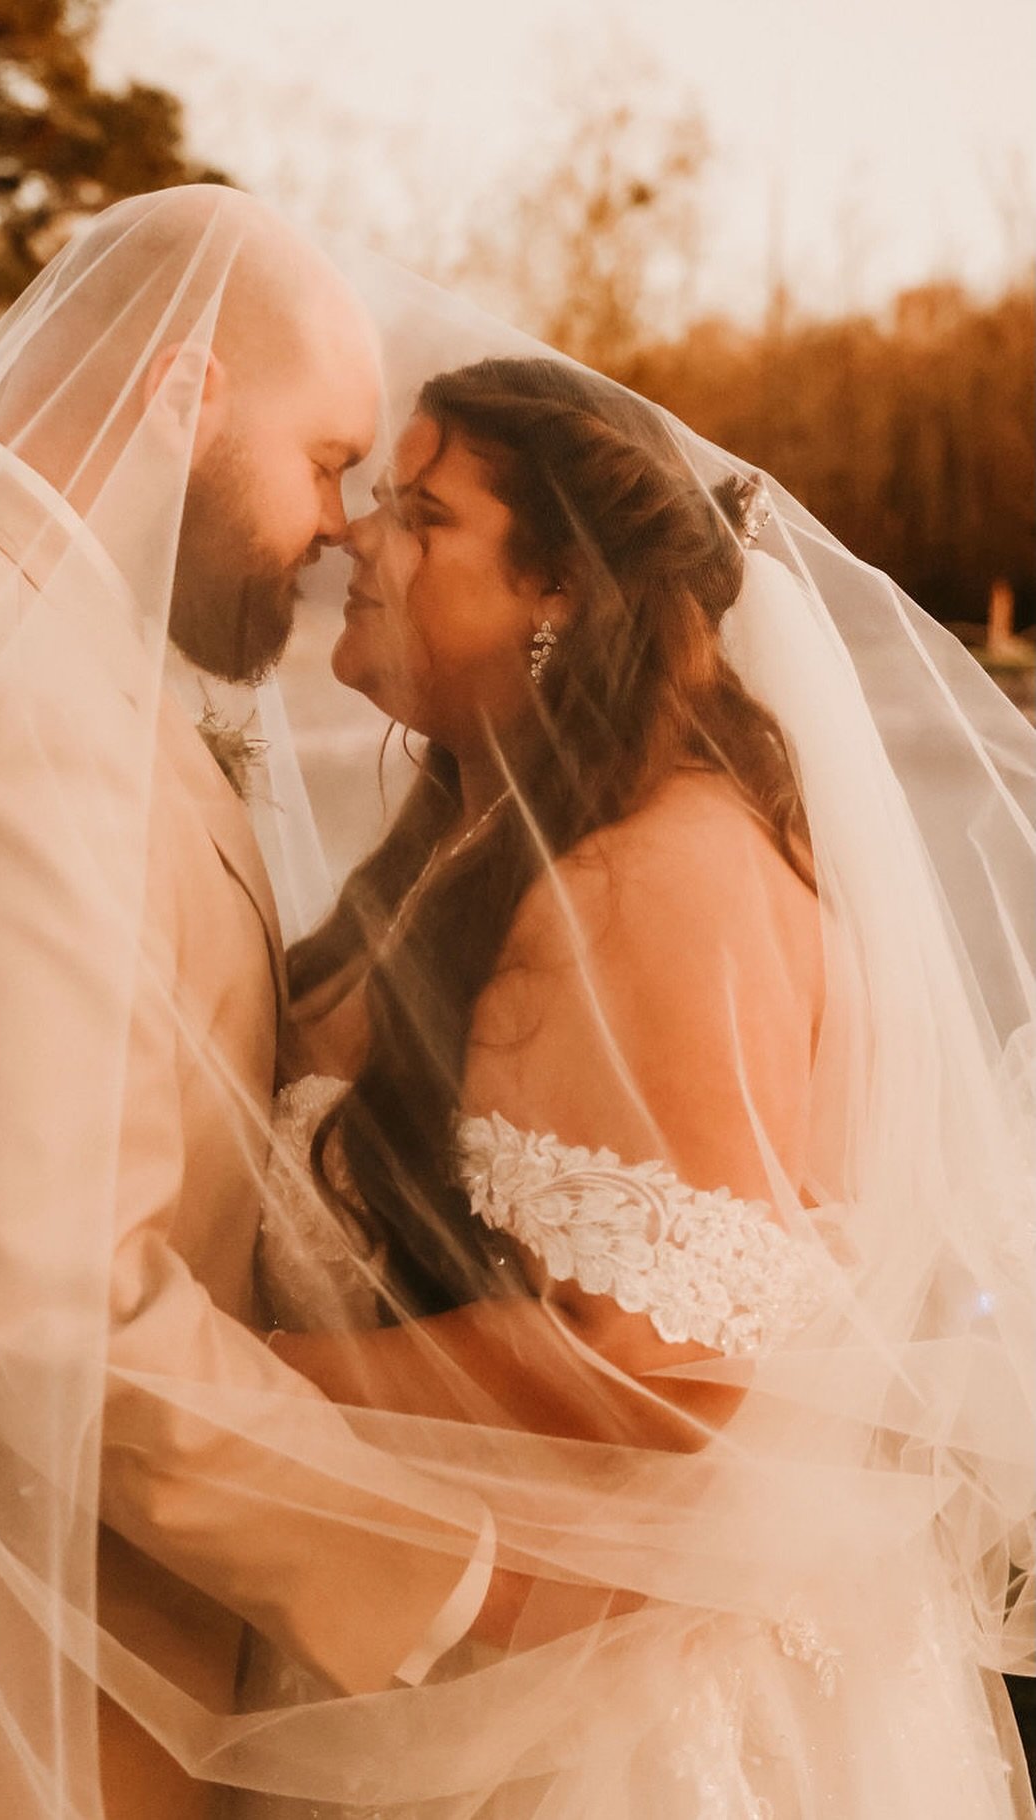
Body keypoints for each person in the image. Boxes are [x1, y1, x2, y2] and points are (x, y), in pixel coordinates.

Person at [0, 188, 497, 1820]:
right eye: (325, 460)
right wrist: (458, 1575)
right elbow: (52, 1307)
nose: (341, 526)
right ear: (179, 390)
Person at [245, 354, 1036, 1815]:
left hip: (603, 1736)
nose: (358, 537)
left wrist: (224, 1391)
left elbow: (652, 1367)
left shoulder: (661, 867)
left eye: (422, 514)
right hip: (458, 1641)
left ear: (559, 588)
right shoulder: (476, 835)